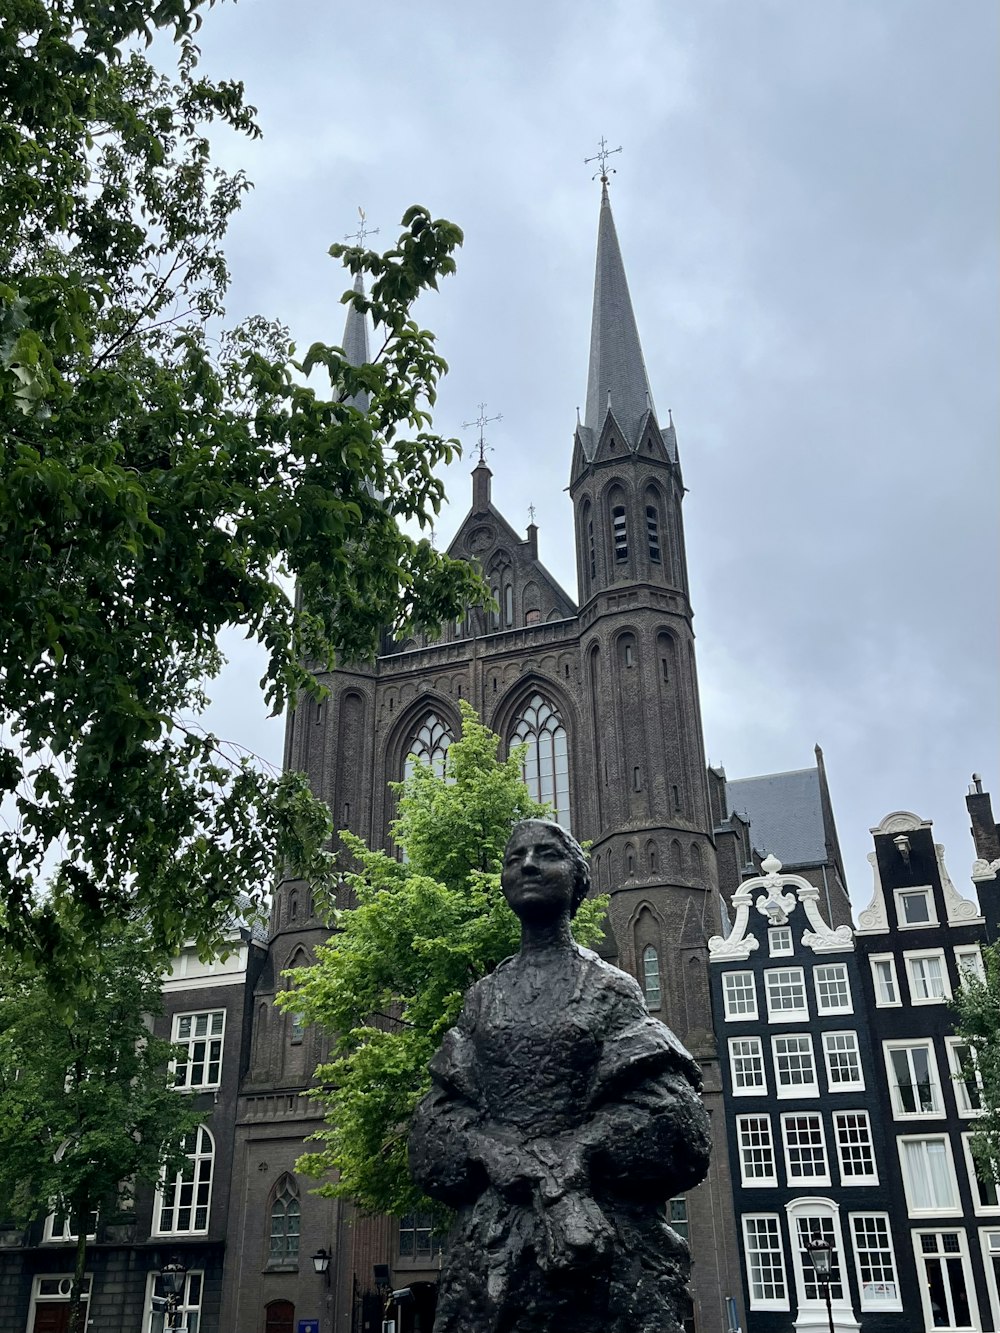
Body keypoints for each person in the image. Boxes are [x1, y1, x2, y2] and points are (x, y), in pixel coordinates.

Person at [408, 818, 710, 1333]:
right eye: (513, 857)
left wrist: (581, 1152)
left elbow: (677, 1116)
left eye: (546, 854)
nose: (526, 864)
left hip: (599, 1253)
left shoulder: (610, 989)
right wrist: (492, 1151)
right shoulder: (483, 998)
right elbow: (433, 1121)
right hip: (492, 1260)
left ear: (578, 878)